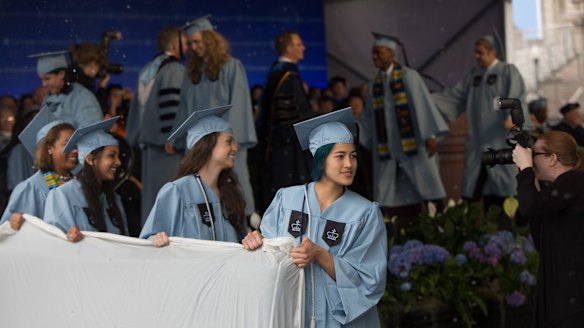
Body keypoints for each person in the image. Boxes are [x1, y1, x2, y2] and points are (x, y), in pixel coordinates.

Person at [242, 108, 387, 328]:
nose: (349, 164)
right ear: (320, 158)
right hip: (294, 314)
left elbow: (369, 279)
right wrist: (256, 244)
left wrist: (319, 254)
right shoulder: (286, 200)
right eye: (340, 156)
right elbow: (269, 257)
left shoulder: (364, 213)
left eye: (353, 155)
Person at [432, 35, 531, 208]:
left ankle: (511, 233)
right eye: (475, 52)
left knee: (505, 192)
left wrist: (513, 117)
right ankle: (481, 233)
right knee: (474, 191)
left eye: (481, 52)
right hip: (477, 143)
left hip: (499, 140)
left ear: (492, 52)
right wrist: (426, 100)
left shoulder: (507, 71)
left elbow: (516, 95)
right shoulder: (473, 77)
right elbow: (453, 98)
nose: (476, 56)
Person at [173, 15, 257, 218]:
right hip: (200, 142)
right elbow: (184, 107)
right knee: (201, 186)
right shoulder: (191, 73)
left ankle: (241, 227)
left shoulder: (231, 67)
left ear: (210, 40)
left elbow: (237, 104)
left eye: (197, 41)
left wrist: (227, 140)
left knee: (234, 185)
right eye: (190, 43)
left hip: (225, 141)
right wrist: (175, 135)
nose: (193, 47)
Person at [365, 32, 448, 214]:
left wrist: (431, 135)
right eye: (373, 53)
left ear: (391, 54)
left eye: (378, 52)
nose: (374, 57)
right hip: (387, 147)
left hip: (414, 143)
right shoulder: (374, 84)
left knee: (427, 186)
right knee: (388, 193)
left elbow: (422, 105)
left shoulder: (408, 76)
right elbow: (369, 118)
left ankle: (440, 226)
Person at [140, 105, 245, 245]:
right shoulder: (177, 191)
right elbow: (149, 239)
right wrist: (156, 240)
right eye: (229, 141)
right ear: (208, 145)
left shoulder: (230, 192)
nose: (235, 147)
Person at [512, 131, 584, 327]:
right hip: (564, 295)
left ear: (553, 159)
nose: (530, 159)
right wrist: (531, 183)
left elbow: (530, 208)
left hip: (574, 300)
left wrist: (526, 171)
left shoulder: (574, 180)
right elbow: (539, 239)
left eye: (534, 154)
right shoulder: (559, 190)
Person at [125, 26, 187, 225]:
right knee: (169, 199)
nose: (189, 48)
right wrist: (174, 137)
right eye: (186, 43)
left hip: (148, 144)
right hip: (166, 148)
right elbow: (171, 106)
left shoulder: (148, 68)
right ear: (175, 44)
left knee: (152, 200)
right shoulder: (174, 69)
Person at [44, 117, 128, 242]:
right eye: (111, 156)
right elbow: (53, 242)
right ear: (89, 159)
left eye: (118, 156)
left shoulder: (113, 197)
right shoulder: (62, 195)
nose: (118, 162)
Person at [255, 31, 312, 213]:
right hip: (287, 148)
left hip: (276, 146)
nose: (303, 47)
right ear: (289, 48)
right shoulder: (286, 76)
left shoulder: (277, 72)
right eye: (299, 44)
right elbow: (290, 117)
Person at [0, 107, 77, 229]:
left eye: (76, 144)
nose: (75, 150)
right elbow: (7, 233)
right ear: (49, 148)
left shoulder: (80, 184)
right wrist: (14, 224)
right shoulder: (30, 189)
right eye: (67, 144)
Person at [30, 51, 103, 128]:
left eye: (47, 78)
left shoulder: (81, 96)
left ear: (61, 74)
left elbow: (90, 130)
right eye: (41, 79)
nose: (44, 84)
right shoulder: (48, 98)